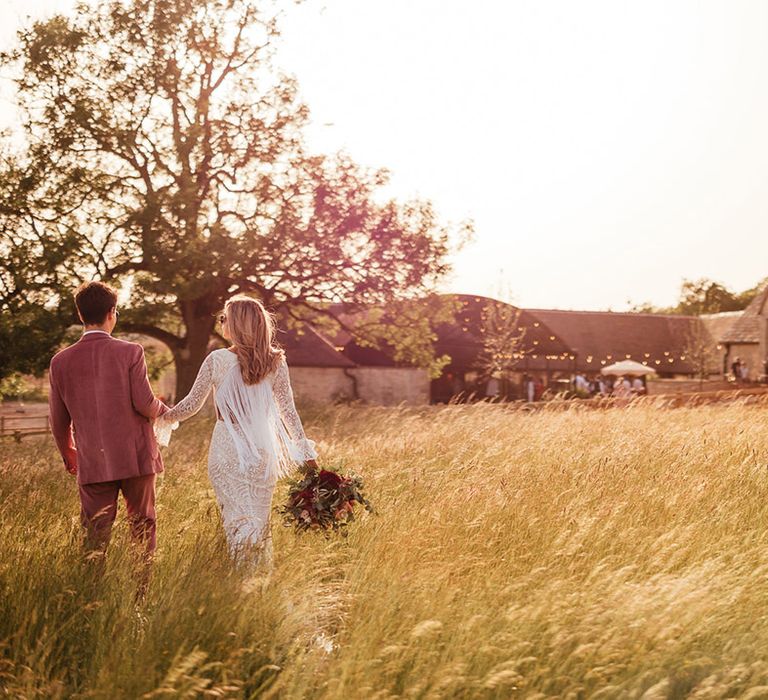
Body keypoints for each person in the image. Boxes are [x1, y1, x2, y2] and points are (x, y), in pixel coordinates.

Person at [155, 295, 318, 568]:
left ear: (238, 325)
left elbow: (192, 404)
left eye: (225, 318)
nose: (221, 323)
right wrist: (306, 455)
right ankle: (258, 582)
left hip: (228, 448)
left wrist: (162, 417)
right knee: (259, 521)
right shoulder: (276, 361)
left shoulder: (217, 359)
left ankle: (243, 582)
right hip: (262, 451)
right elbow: (289, 412)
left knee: (237, 521)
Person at [48, 281, 168, 595]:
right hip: (136, 457)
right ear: (112, 313)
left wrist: (69, 452)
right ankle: (141, 596)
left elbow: (58, 420)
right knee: (143, 526)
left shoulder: (60, 361)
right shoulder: (131, 351)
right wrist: (166, 410)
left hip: (92, 461)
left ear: (79, 314)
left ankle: (91, 599)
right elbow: (144, 403)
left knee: (94, 534)